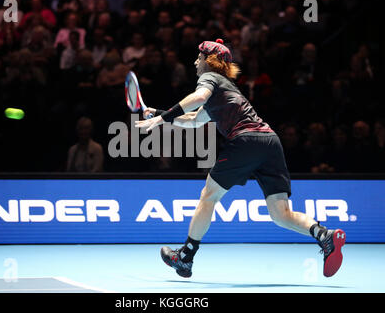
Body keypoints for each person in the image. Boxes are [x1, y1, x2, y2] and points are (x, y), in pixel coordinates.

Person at [135, 38, 346, 278]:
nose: (195, 62)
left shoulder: (209, 78)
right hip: (270, 143)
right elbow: (194, 120)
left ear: (209, 60)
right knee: (280, 214)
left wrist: (161, 120)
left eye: (199, 57)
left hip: (246, 141)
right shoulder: (227, 89)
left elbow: (198, 97)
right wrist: (160, 113)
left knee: (209, 195)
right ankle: (324, 236)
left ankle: (185, 257)